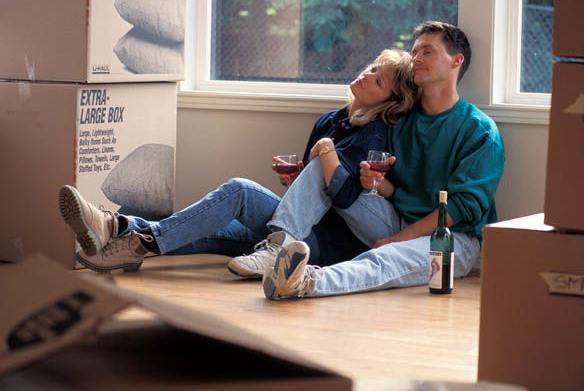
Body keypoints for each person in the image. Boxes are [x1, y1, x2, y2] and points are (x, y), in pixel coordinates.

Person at [58, 48, 418, 274]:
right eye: (372, 67)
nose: (367, 74)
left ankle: (137, 241)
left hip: (325, 246)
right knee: (210, 229)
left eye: (379, 79)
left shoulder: (374, 133)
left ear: (390, 99)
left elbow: (343, 197)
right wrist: (294, 180)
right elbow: (310, 188)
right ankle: (118, 227)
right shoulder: (330, 119)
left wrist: (325, 153)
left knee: (239, 191)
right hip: (297, 226)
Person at [262, 21, 505, 300]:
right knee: (327, 163)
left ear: (456, 61)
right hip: (395, 220)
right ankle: (278, 246)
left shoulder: (479, 130)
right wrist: (379, 183)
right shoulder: (399, 120)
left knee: (386, 258)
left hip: (450, 239)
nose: (416, 59)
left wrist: (397, 239)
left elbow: (461, 208)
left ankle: (305, 281)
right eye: (414, 52)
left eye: (427, 52)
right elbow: (399, 189)